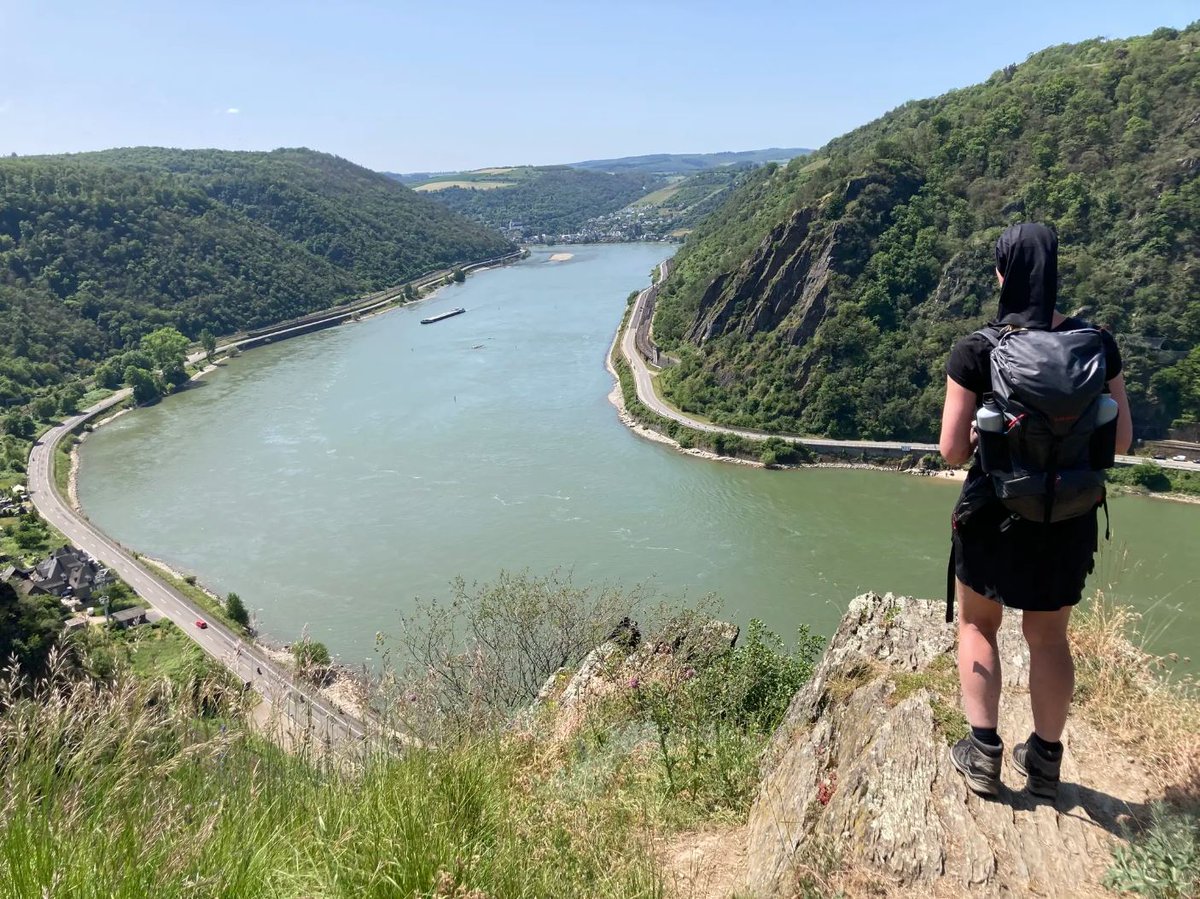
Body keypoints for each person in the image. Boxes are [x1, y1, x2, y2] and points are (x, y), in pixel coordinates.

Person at [938, 222, 1132, 799]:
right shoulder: (1096, 344)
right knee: (1049, 638)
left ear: (1002, 275)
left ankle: (983, 754)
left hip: (994, 513)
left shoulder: (978, 349)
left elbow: (951, 450)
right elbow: (1121, 441)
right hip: (1068, 514)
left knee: (978, 624)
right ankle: (1044, 762)